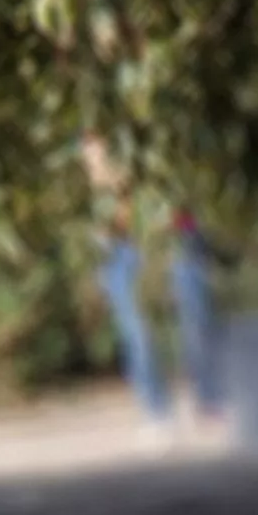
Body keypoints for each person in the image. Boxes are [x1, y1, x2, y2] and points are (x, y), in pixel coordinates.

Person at [83, 139, 220, 432]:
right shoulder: (92, 127)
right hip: (121, 242)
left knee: (197, 319)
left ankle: (210, 402)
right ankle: (157, 413)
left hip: (175, 230)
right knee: (138, 331)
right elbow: (98, 179)